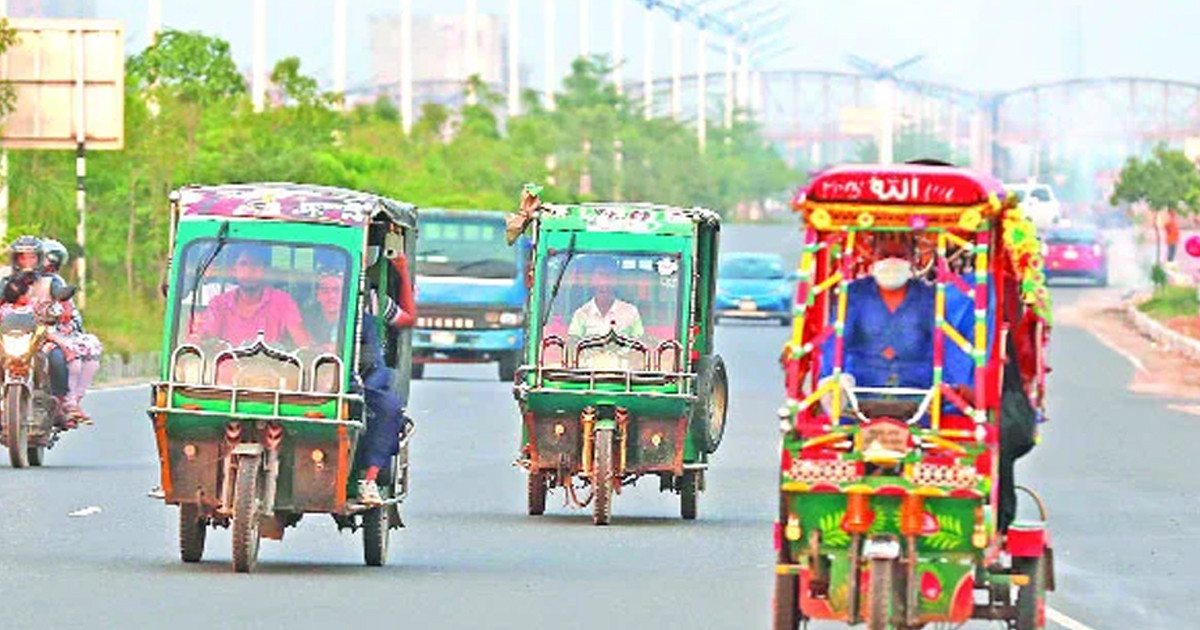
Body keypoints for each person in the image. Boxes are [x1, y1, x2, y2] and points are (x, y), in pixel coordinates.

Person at [354, 250, 417, 506]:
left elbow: (407, 319)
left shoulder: (374, 300)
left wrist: (402, 271)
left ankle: (368, 480)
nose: (329, 294)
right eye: (325, 289)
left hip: (365, 378)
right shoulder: (306, 306)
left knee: (389, 409)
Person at [3, 236, 76, 424]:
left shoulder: (50, 281)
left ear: (39, 258)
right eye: (22, 257)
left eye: (32, 257)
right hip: (10, 334)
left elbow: (61, 296)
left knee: (57, 358)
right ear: (16, 259)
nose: (27, 261)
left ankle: (58, 403)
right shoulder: (6, 281)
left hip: (43, 335)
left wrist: (63, 301)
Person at [193, 245, 310, 348]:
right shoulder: (219, 303)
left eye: (256, 264)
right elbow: (208, 339)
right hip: (227, 366)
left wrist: (314, 350)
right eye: (243, 264)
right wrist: (199, 338)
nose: (249, 270)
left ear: (265, 270)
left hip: (270, 366)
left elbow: (303, 341)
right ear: (234, 270)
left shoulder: (283, 301)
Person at [41, 239, 102, 425]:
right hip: (19, 334)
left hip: (50, 334)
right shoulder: (15, 280)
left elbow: (68, 312)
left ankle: (70, 402)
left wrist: (65, 323)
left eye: (54, 262)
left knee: (85, 351)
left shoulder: (56, 283)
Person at [567, 256, 645, 340]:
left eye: (610, 275)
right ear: (592, 279)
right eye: (601, 274)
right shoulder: (581, 314)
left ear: (617, 280)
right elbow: (572, 344)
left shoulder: (631, 312)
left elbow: (640, 344)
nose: (605, 280)